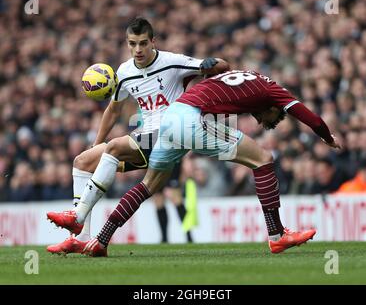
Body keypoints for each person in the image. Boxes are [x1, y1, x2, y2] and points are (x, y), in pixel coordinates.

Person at [49, 69, 341, 256]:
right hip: (191, 120)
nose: (267, 122)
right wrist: (326, 136)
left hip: (171, 119)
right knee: (263, 159)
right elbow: (307, 114)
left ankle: (100, 241)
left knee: (150, 184)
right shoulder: (273, 91)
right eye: (274, 118)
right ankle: (277, 235)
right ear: (275, 106)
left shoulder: (248, 77)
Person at [46, 17, 229, 254]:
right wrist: (95, 144)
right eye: (133, 44)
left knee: (115, 148)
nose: (138, 49)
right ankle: (80, 238)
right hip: (146, 136)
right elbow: (114, 109)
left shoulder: (172, 62)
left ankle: (78, 216)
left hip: (171, 133)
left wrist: (213, 63)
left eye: (143, 43)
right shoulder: (124, 72)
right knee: (83, 161)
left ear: (153, 41)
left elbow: (220, 66)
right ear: (127, 43)